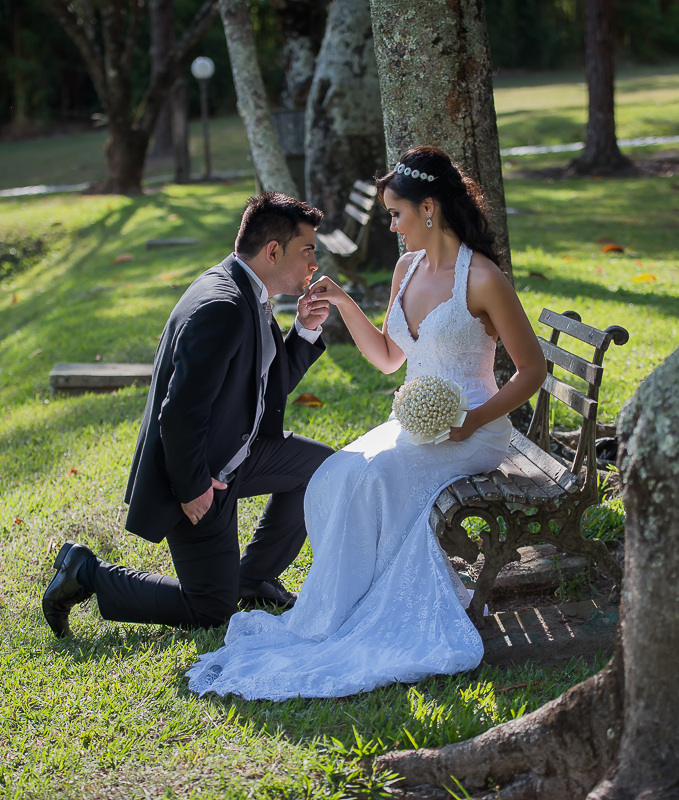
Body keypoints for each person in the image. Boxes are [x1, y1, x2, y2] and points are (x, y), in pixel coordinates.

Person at [187, 147, 548, 700]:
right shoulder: (406, 270)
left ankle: (363, 611)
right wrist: (341, 301)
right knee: (336, 472)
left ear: (429, 209)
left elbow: (531, 371)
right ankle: (333, 613)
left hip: (475, 429)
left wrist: (470, 420)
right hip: (418, 424)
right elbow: (387, 357)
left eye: (396, 214)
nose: (392, 226)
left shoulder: (483, 278)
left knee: (374, 476)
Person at [41, 192, 335, 636]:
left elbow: (263, 388)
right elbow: (179, 412)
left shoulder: (246, 289)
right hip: (199, 470)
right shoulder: (224, 305)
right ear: (273, 251)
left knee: (321, 469)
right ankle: (85, 573)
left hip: (237, 452)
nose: (314, 262)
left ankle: (252, 578)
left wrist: (305, 329)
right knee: (210, 610)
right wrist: (193, 485)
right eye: (308, 249)